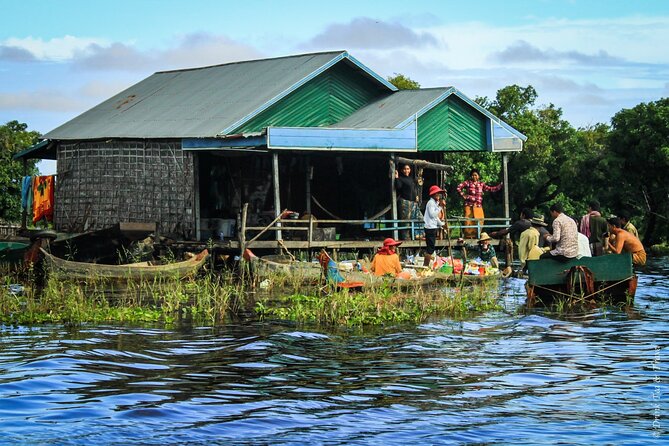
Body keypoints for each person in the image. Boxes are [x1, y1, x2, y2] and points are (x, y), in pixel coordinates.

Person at [456, 168, 503, 238]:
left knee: (480, 220)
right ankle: (469, 237)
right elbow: (458, 188)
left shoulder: (481, 184)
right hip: (469, 205)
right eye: (472, 175)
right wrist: (464, 195)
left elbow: (490, 189)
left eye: (475, 175)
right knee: (468, 221)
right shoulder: (467, 183)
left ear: (478, 176)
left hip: (478, 206)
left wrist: (500, 186)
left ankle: (476, 235)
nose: (474, 177)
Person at [394, 164, 424, 240]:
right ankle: (406, 238)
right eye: (404, 169)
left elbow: (414, 189)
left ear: (410, 170)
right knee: (406, 221)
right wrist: (396, 177)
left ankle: (418, 235)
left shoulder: (411, 179)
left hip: (413, 202)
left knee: (420, 218)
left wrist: (416, 196)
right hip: (405, 202)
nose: (406, 170)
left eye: (408, 169)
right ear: (402, 170)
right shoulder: (401, 179)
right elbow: (398, 187)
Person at [423, 185, 446, 267]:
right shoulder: (430, 203)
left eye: (438, 194)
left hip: (433, 227)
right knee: (430, 248)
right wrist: (440, 207)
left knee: (431, 247)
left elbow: (436, 218)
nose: (438, 196)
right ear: (432, 195)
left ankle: (428, 265)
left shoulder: (435, 203)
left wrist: (442, 224)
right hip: (429, 228)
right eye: (436, 194)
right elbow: (433, 215)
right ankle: (425, 266)